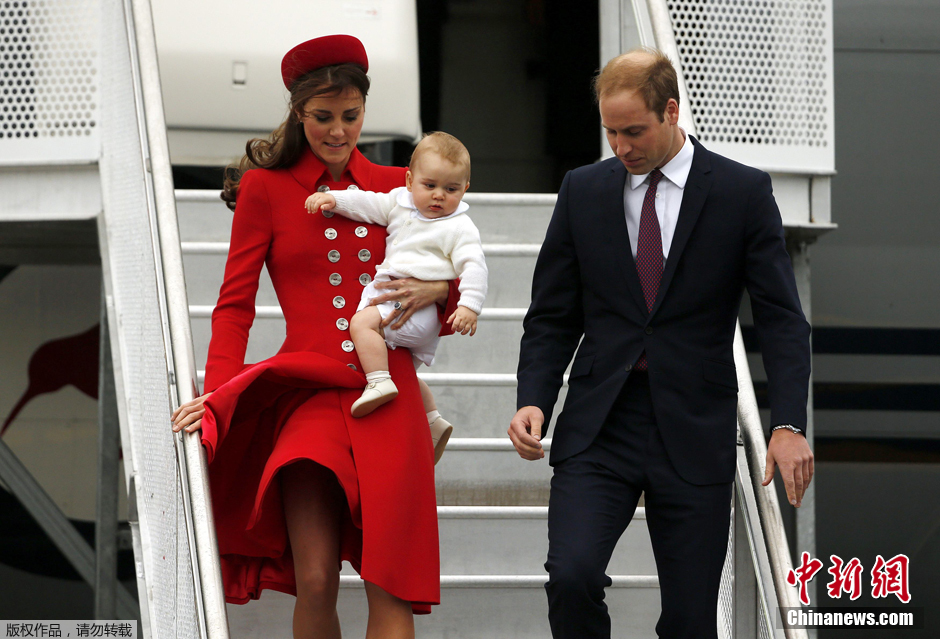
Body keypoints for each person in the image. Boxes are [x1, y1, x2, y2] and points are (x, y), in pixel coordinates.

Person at [508, 48, 815, 638]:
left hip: (693, 427)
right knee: (571, 578)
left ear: (671, 112)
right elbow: (551, 315)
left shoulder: (741, 191)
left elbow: (781, 318)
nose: (621, 146)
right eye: (611, 132)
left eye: (634, 131)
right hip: (601, 425)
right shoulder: (583, 190)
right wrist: (534, 398)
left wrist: (788, 424)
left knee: (690, 619)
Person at [170, 35, 460, 639]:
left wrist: (439, 292)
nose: (338, 130)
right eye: (323, 117)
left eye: (350, 116)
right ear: (299, 112)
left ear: (364, 110)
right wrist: (221, 396)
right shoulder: (266, 189)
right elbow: (234, 307)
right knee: (317, 579)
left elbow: (453, 266)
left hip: (389, 394)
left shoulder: (399, 185)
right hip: (305, 392)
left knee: (392, 586)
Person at [304, 132, 487, 461]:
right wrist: (334, 199)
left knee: (361, 324)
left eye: (451, 189)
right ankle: (432, 420)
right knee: (406, 371)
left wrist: (469, 306)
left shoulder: (460, 226)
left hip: (416, 311)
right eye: (429, 185)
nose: (438, 196)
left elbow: (474, 266)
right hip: (406, 309)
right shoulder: (400, 204)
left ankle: (378, 382)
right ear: (409, 179)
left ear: (465, 190)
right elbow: (368, 203)